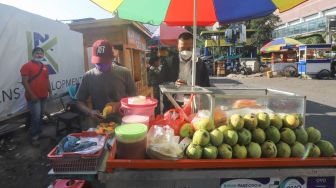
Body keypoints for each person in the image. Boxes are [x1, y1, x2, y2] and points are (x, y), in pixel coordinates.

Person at [76, 39, 136, 121]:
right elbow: (79, 101)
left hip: (124, 120)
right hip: (100, 123)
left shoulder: (124, 72)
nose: (101, 66)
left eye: (105, 62)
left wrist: (119, 104)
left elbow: (135, 97)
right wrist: (90, 112)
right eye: (98, 63)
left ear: (112, 58)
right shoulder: (88, 76)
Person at [160, 32, 210, 111]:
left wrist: (192, 85)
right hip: (173, 103)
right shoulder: (169, 62)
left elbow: (206, 85)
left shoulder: (200, 64)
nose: (185, 52)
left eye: (189, 49)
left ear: (193, 47)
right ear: (178, 47)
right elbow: (162, 81)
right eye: (182, 48)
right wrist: (173, 84)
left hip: (194, 104)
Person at [20, 47, 51, 146]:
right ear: (33, 54)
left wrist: (50, 91)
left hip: (44, 96)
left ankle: (38, 132)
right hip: (33, 97)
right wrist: (32, 95)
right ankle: (33, 137)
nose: (39, 55)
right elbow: (24, 82)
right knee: (36, 117)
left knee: (41, 115)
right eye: (37, 53)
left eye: (41, 54)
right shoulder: (26, 66)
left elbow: (47, 80)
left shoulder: (45, 66)